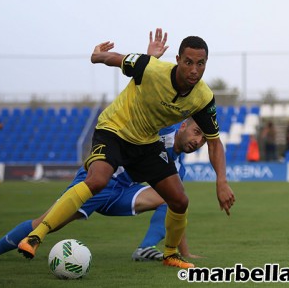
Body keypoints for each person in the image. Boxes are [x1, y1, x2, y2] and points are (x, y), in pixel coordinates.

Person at [17, 29, 235, 269]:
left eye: (201, 63)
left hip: (145, 142)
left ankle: (170, 254)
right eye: (189, 62)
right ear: (178, 60)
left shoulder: (203, 98)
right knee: (97, 180)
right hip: (114, 129)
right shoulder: (150, 68)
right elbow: (117, 59)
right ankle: (37, 234)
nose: (194, 69)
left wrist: (221, 181)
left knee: (179, 200)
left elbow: (214, 142)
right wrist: (97, 56)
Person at [0, 119, 205, 263]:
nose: (198, 141)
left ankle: (145, 248)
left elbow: (178, 212)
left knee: (174, 200)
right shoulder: (161, 127)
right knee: (45, 223)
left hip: (122, 193)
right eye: (196, 132)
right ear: (183, 125)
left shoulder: (178, 169)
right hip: (97, 181)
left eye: (204, 139)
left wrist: (184, 252)